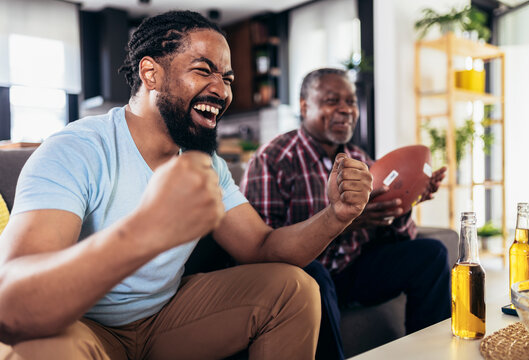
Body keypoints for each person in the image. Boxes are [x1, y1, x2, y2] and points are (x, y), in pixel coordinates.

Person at [0, 13, 374, 360]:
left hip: (164, 319)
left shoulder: (207, 164)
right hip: (83, 326)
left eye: (227, 79)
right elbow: (10, 304)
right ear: (151, 74)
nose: (222, 91)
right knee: (35, 345)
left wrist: (336, 215)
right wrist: (146, 232)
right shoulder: (77, 149)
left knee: (295, 288)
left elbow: (261, 247)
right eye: (203, 71)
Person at [241, 68, 451, 360]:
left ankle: (429, 354)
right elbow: (263, 250)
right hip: (306, 275)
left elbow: (398, 238)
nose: (346, 109)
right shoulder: (273, 159)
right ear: (304, 106)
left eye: (351, 102)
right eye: (332, 100)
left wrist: (405, 203)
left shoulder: (361, 160)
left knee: (432, 253)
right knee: (315, 275)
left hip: (353, 270)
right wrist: (344, 223)